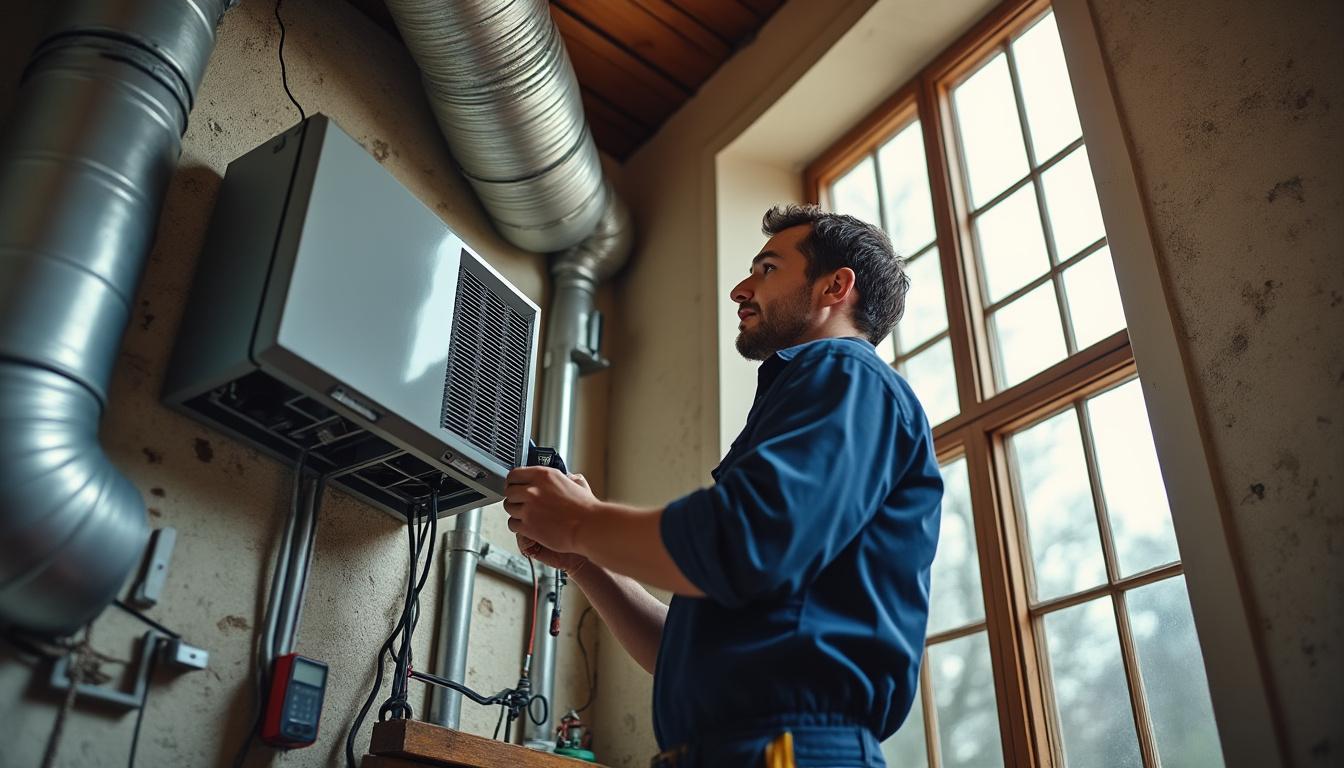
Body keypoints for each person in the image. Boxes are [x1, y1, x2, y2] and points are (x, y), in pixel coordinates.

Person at [504, 204, 943, 768]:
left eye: (767, 269)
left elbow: (738, 544)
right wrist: (585, 559)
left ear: (836, 287)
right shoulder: (817, 395)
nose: (740, 289)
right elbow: (676, 656)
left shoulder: (845, 373)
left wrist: (580, 521)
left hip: (789, 752)